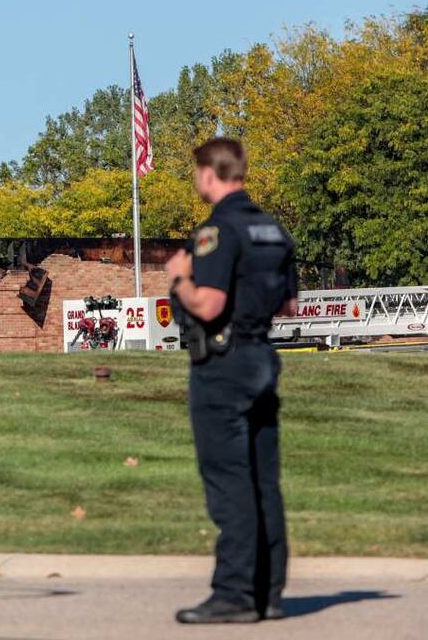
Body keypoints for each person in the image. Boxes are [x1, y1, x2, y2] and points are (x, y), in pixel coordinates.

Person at [165, 138, 299, 624]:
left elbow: (209, 304)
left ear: (209, 173)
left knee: (228, 478)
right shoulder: (272, 230)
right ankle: (269, 592)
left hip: (224, 364)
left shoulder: (217, 230)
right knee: (265, 478)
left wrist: (181, 277)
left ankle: (235, 592)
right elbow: (289, 306)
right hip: (263, 356)